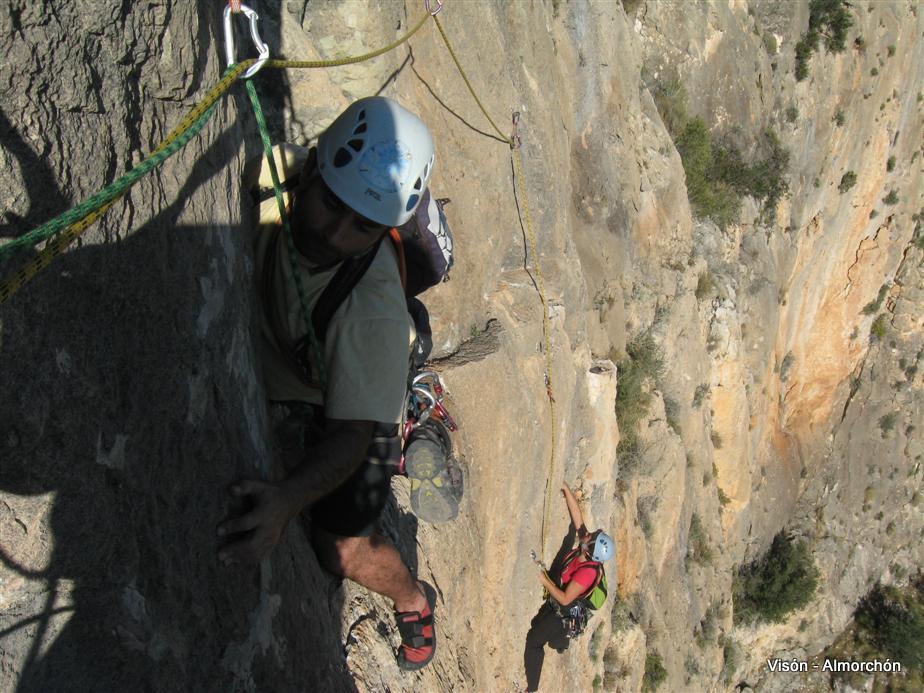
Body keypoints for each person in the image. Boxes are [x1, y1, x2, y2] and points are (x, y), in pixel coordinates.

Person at [217, 96, 438, 670]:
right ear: (312, 168)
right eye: (332, 205)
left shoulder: (371, 311)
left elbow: (351, 435)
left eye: (363, 226)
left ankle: (413, 599)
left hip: (360, 406)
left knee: (341, 549)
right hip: (300, 368)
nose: (335, 233)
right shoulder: (272, 172)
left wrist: (288, 500)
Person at [524, 481, 615, 691]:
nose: (590, 533)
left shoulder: (587, 572)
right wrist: (565, 488)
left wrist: (544, 580)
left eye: (592, 537)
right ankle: (560, 642)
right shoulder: (586, 547)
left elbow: (565, 599)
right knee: (538, 624)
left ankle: (532, 689)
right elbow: (578, 520)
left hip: (564, 614)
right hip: (563, 606)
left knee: (534, 641)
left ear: (591, 549)